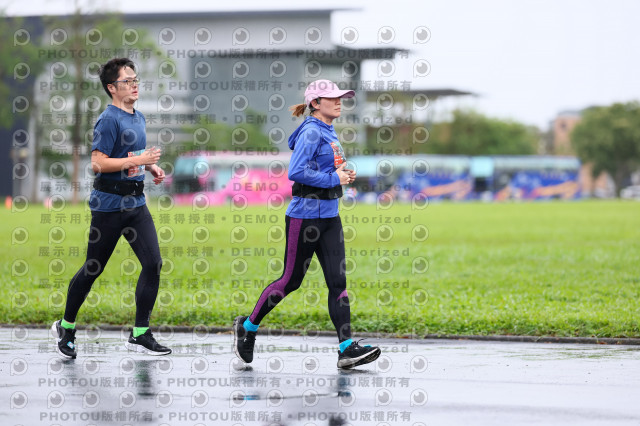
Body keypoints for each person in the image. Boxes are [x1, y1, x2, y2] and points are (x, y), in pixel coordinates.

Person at [233, 79, 381, 369]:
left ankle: (346, 348)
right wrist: (334, 178)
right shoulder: (311, 131)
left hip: (330, 217)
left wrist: (341, 173)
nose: (339, 102)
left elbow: (324, 167)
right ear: (315, 103)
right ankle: (247, 328)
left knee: (338, 282)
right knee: (290, 281)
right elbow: (296, 171)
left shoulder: (328, 129)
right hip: (305, 216)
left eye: (340, 97)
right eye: (332, 98)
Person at [51, 58, 170, 359]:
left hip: (136, 205)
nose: (134, 85)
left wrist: (150, 166)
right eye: (127, 81)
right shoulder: (108, 120)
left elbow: (131, 154)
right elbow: (98, 163)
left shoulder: (138, 118)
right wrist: (138, 161)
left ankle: (140, 333)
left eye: (135, 79)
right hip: (109, 207)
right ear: (112, 88)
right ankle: (67, 326)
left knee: (153, 263)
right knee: (94, 267)